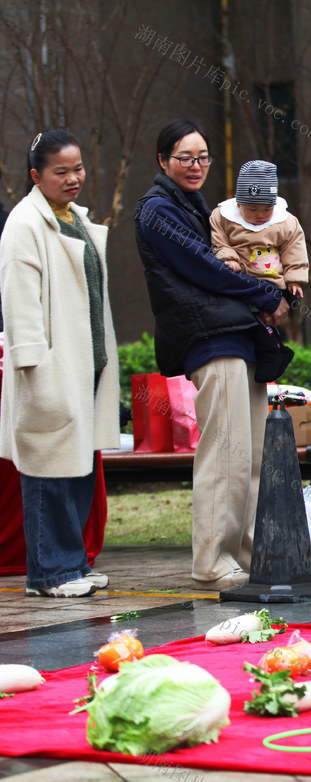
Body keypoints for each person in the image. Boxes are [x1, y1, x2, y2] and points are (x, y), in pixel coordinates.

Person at [134, 119, 290, 591]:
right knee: (225, 452)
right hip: (210, 339)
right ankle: (213, 561)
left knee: (254, 454)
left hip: (239, 336)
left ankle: (245, 557)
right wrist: (263, 297)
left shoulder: (204, 209)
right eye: (185, 158)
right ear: (163, 161)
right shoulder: (157, 210)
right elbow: (205, 269)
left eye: (203, 157)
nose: (197, 166)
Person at [0, 130, 119, 597]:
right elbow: (19, 301)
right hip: (49, 366)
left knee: (77, 466)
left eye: (79, 168)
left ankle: (72, 563)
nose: (74, 179)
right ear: (36, 175)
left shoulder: (77, 219)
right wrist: (35, 366)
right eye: (61, 171)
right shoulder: (25, 223)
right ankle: (49, 573)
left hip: (84, 360)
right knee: (46, 465)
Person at [210, 159, 305, 382]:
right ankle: (274, 351)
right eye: (252, 209)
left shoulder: (285, 222)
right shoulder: (224, 218)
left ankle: (274, 352)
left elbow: (295, 248)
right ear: (239, 203)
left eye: (266, 209)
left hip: (275, 284)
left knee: (268, 320)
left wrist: (295, 278)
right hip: (241, 284)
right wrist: (229, 258)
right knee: (253, 325)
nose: (260, 215)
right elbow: (219, 241)